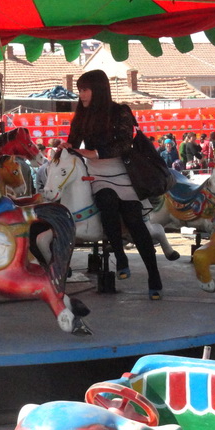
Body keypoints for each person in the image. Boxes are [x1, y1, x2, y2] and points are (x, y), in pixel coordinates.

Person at [61, 69, 164, 299]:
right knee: (106, 201)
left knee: (134, 219)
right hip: (97, 175)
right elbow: (73, 142)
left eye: (85, 90)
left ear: (98, 90)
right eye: (80, 90)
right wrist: (66, 147)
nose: (81, 95)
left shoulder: (120, 112)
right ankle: (120, 256)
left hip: (123, 172)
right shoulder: (81, 115)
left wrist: (95, 152)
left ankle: (154, 275)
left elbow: (125, 144)